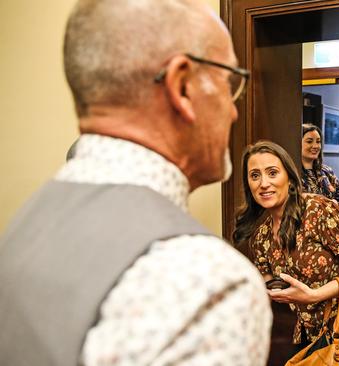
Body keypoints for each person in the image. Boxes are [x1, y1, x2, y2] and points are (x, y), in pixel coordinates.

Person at [0, 1, 272, 365]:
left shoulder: (23, 227)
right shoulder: (208, 283)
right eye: (228, 82)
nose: (234, 109)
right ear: (182, 87)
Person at [233, 140, 339, 366]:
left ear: (289, 177)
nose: (264, 183)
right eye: (255, 175)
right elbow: (272, 285)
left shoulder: (319, 210)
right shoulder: (261, 236)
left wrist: (315, 295)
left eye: (272, 173)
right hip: (312, 333)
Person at [301, 123, 339, 211]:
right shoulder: (291, 172)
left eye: (318, 142)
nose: (315, 146)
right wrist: (330, 204)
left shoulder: (326, 171)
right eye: (309, 141)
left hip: (333, 222)